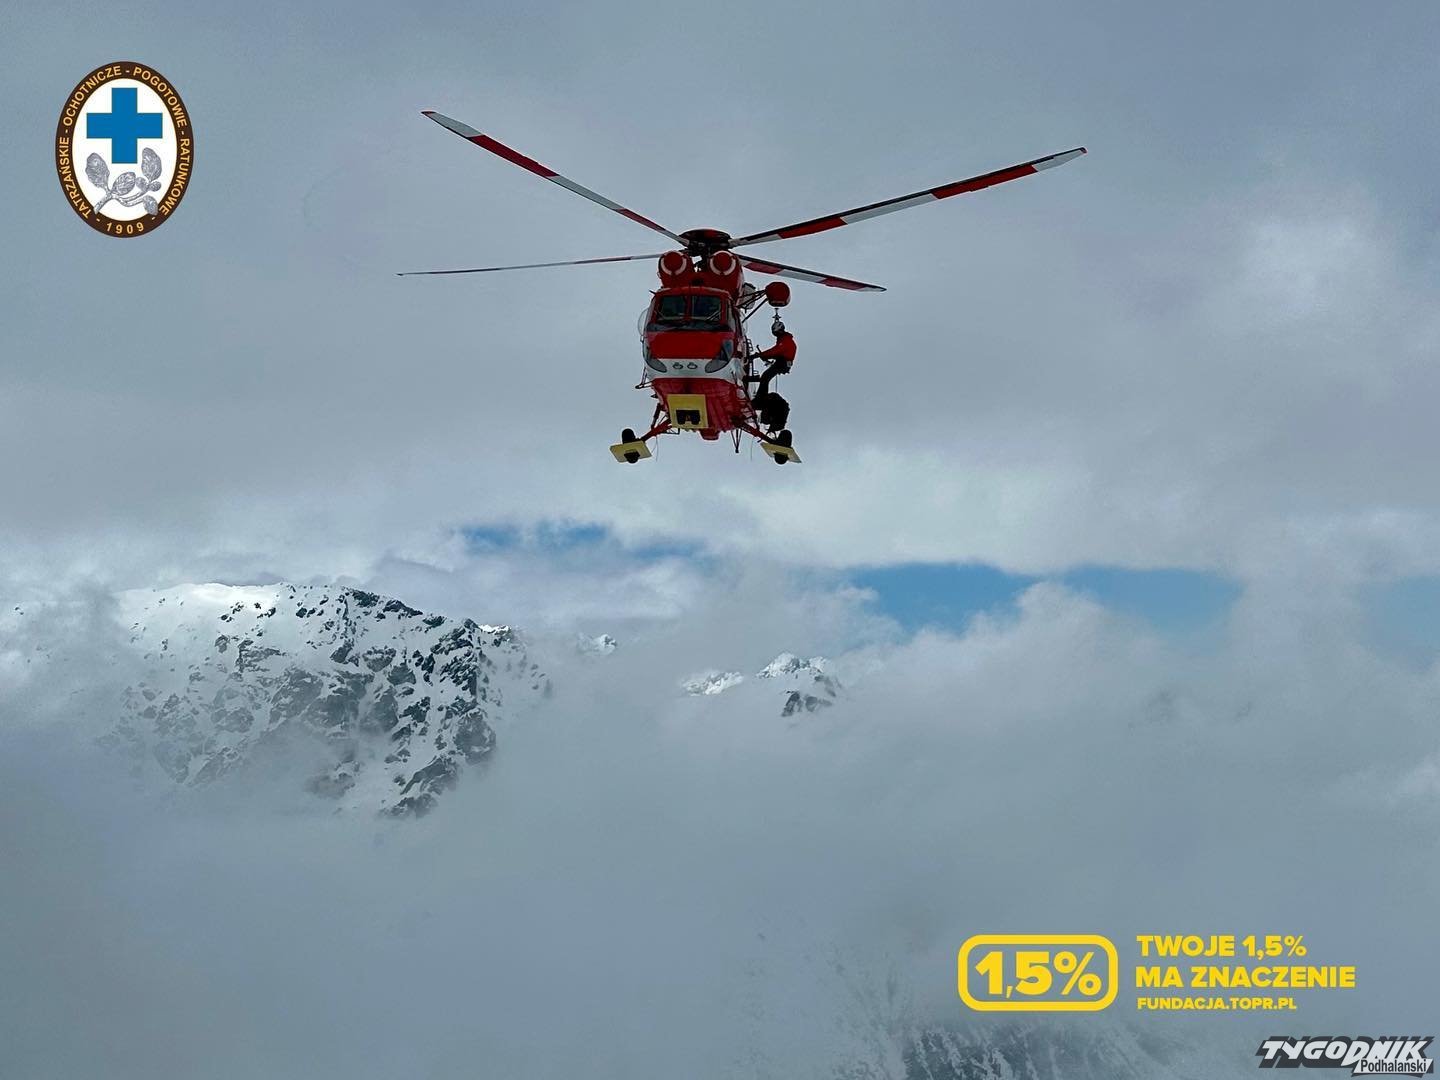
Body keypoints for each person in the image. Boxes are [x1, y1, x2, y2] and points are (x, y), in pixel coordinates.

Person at [751, 320, 797, 432]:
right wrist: (765, 356)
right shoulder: (784, 340)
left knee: (765, 377)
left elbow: (776, 351)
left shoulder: (785, 340)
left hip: (782, 363)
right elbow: (777, 352)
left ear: (779, 331)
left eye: (776, 333)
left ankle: (759, 399)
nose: (776, 335)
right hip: (782, 362)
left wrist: (760, 355)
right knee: (766, 377)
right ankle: (760, 399)